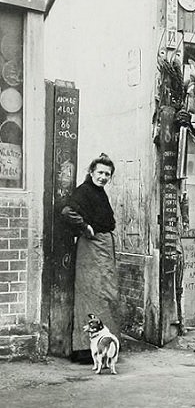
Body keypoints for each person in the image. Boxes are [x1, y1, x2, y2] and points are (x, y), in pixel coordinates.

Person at [61, 154, 120, 364]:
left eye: (107, 174)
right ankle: (87, 349)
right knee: (92, 294)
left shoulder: (99, 193)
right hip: (91, 249)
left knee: (106, 294)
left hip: (103, 248)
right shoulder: (84, 191)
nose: (103, 177)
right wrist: (85, 227)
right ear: (91, 172)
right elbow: (68, 212)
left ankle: (105, 346)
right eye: (100, 173)